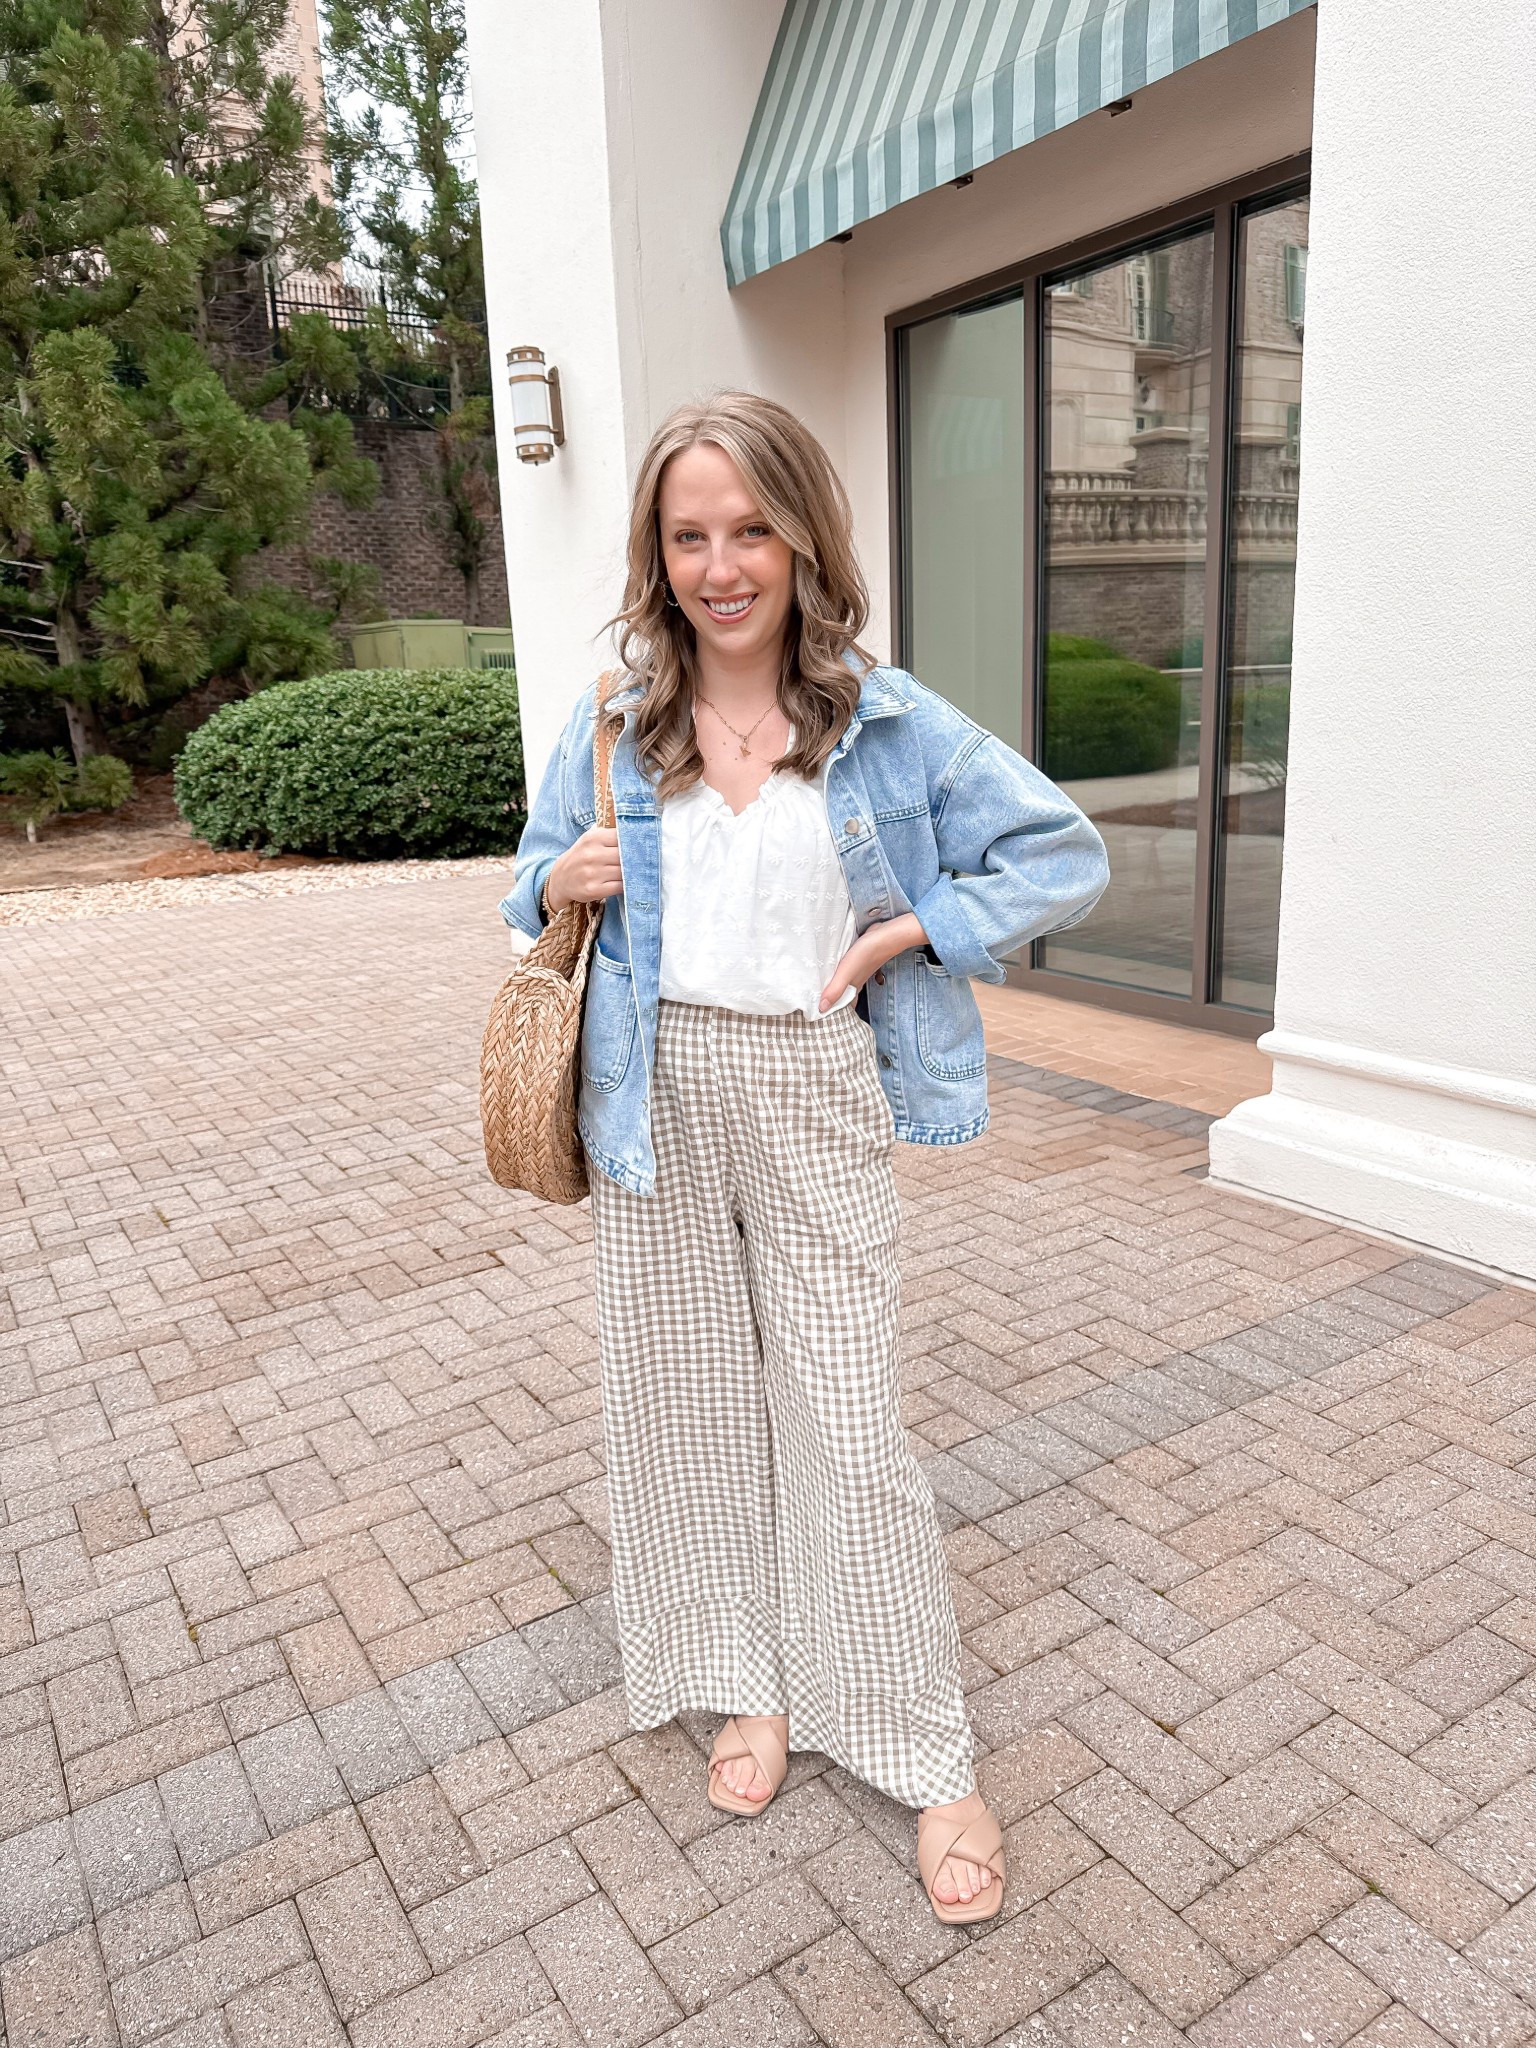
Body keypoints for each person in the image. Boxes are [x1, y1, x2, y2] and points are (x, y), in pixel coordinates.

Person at [500, 392, 1108, 1924]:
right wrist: (556, 876)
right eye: (690, 533)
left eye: (751, 528)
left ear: (801, 538)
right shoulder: (617, 723)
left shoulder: (885, 720)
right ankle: (743, 1683)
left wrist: (917, 927)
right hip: (657, 1094)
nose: (722, 564)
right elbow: (532, 894)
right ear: (659, 551)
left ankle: (920, 1743)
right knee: (690, 1411)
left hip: (814, 1079)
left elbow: (1060, 850)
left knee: (847, 1423)